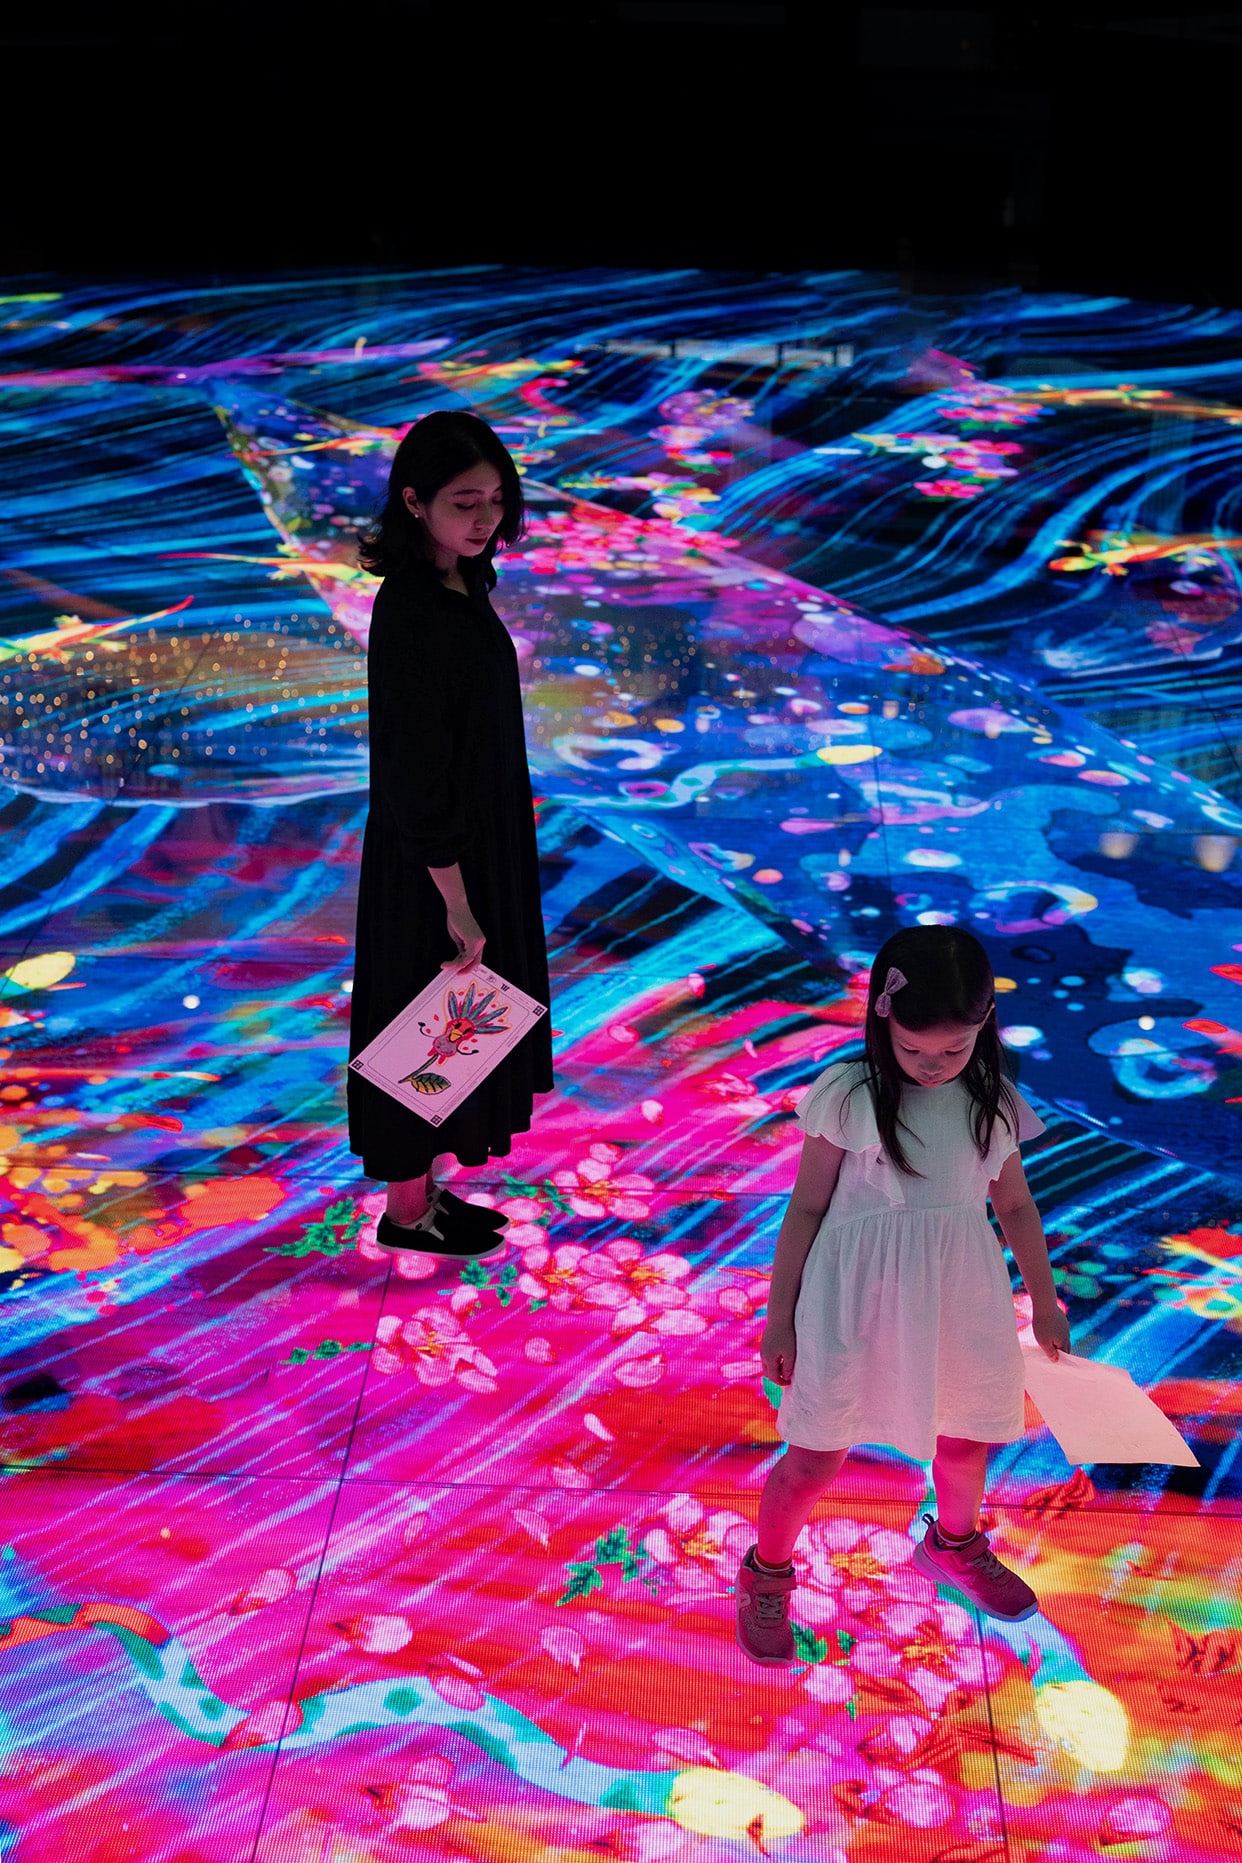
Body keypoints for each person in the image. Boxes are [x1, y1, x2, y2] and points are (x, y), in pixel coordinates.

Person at [736, 925, 1070, 1665]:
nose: (933, 1065)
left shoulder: (991, 1100)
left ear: (984, 1026)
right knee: (816, 1454)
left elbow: (1013, 1205)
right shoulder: (850, 1095)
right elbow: (806, 1208)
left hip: (959, 1293)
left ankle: (953, 1544)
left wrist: (1044, 1300)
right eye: (915, 1049)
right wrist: (780, 1316)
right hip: (854, 1295)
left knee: (966, 1432)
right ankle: (766, 1571)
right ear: (882, 1018)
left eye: (954, 1049)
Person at [347, 411, 553, 1262]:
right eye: (464, 502)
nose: (485, 519)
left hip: (479, 841)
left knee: (460, 1029)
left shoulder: (464, 578)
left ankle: (422, 1196)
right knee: (422, 1027)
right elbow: (413, 771)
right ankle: (405, 1211)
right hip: (432, 862)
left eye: (496, 500)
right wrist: (458, 899)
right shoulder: (413, 613)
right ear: (413, 500)